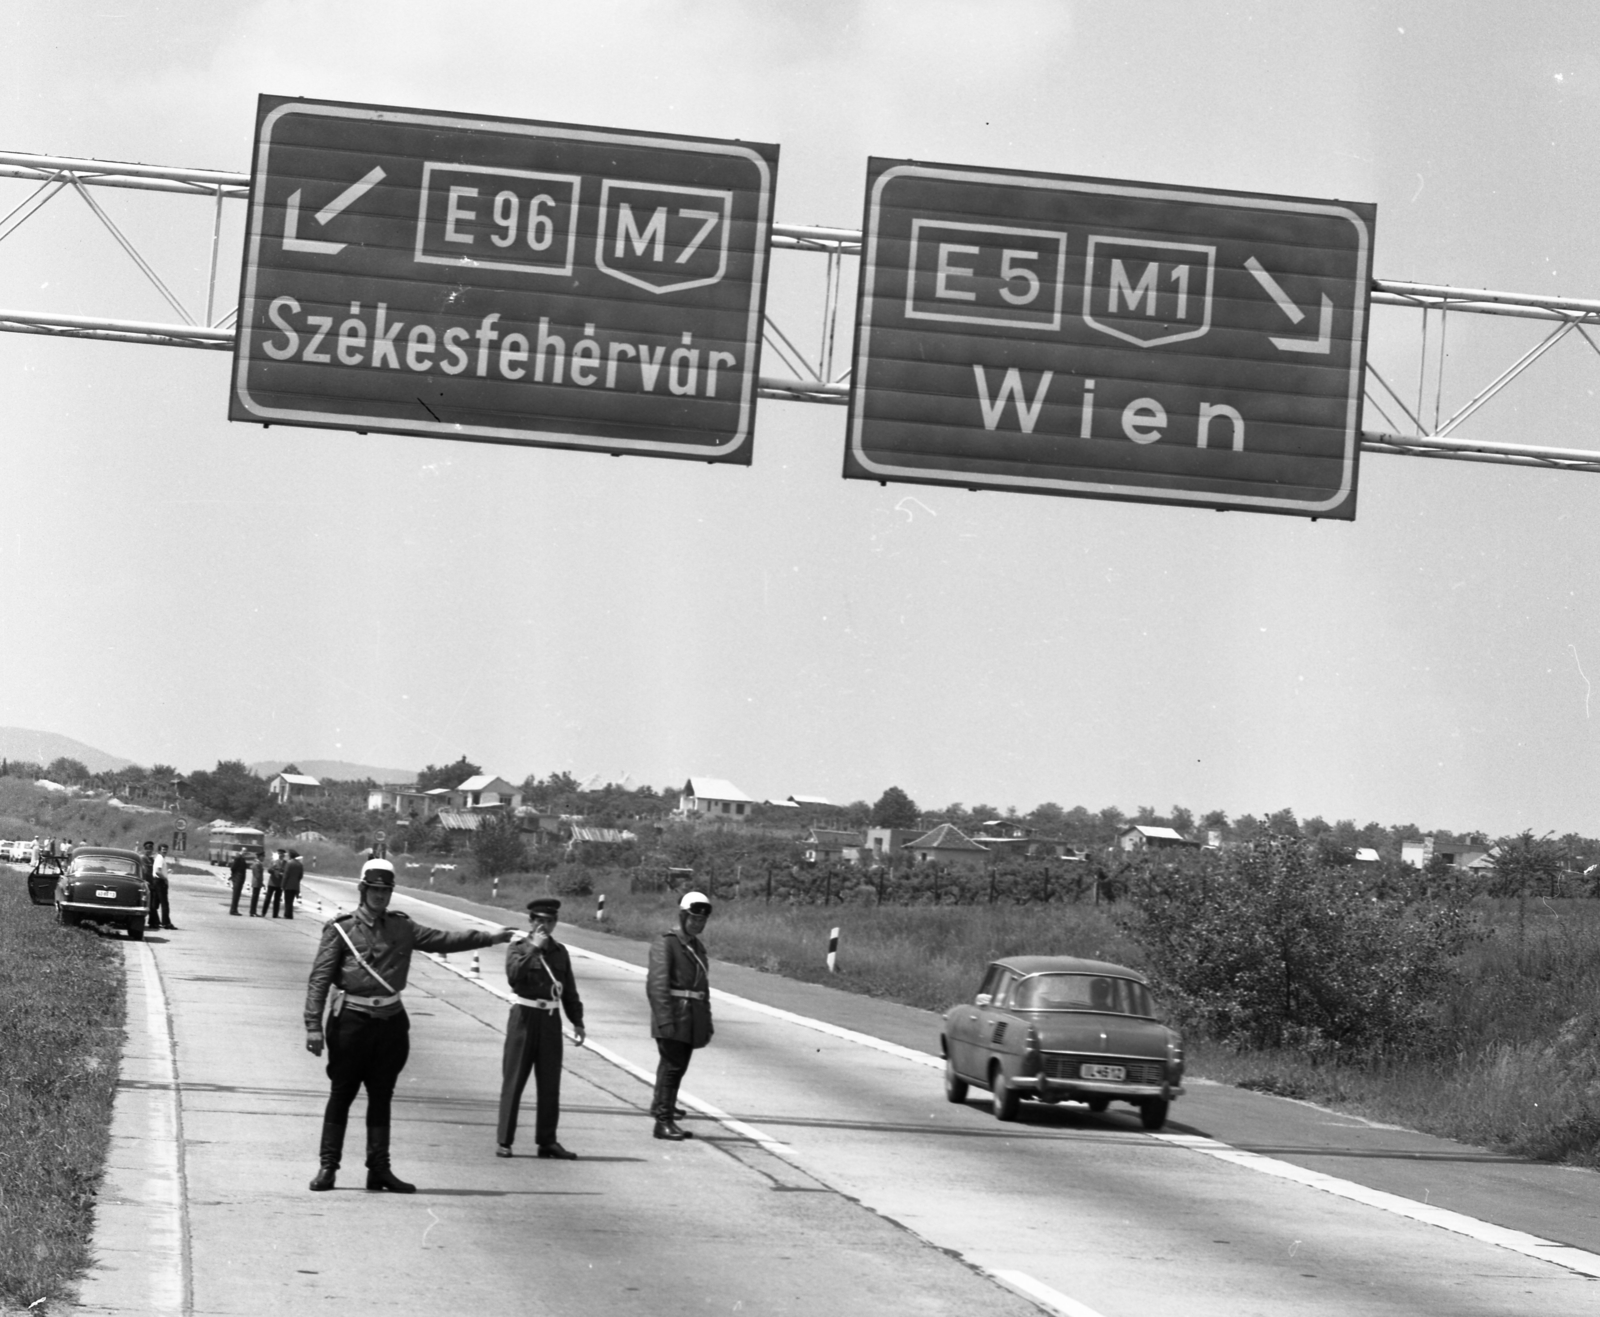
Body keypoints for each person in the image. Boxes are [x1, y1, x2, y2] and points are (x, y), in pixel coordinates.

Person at [303, 857, 516, 1193]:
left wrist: (490, 938)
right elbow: (319, 978)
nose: (380, 896)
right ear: (363, 890)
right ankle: (328, 1168)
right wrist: (313, 1025)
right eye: (374, 890)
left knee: (382, 1096)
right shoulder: (341, 928)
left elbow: (445, 940)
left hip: (389, 1024)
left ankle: (379, 1170)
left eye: (385, 891)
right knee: (342, 1094)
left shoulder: (402, 927)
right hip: (351, 1023)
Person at [495, 897, 585, 1160]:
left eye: (550, 921)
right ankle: (504, 1140)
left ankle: (547, 1141)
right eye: (539, 921)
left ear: (555, 923)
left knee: (549, 1083)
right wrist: (534, 949)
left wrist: (577, 1020)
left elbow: (568, 989)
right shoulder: (518, 948)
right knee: (514, 1080)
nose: (544, 926)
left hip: (550, 1019)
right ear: (531, 922)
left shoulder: (560, 952)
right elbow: (513, 977)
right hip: (524, 1016)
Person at [645, 890, 714, 1141]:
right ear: (683, 915)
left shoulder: (696, 946)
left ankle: (663, 1108)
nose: (698, 923)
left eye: (702, 920)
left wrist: (706, 1021)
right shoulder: (667, 942)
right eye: (693, 918)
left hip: (690, 1018)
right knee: (673, 1067)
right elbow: (657, 985)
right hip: (673, 1015)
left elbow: (702, 989)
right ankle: (663, 1122)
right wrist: (665, 1019)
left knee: (675, 1067)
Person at [144, 841, 175, 931]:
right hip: (158, 882)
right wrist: (165, 878)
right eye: (163, 850)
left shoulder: (156, 858)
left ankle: (154, 922)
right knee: (164, 903)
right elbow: (157, 871)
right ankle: (166, 923)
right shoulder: (159, 858)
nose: (165, 852)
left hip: (154, 882)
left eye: (166, 851)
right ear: (159, 851)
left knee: (154, 904)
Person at [262, 849, 286, 918]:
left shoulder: (285, 863)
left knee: (277, 900)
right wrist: (273, 868)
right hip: (272, 883)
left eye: (282, 854)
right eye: (279, 854)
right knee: (267, 899)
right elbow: (269, 870)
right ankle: (263, 913)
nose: (281, 855)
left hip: (279, 884)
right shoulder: (274, 862)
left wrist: (283, 874)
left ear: (283, 855)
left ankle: (275, 914)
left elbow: (286, 872)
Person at [282, 850, 304, 920]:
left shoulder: (289, 863)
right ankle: (290, 914)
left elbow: (286, 875)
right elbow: (301, 876)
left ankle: (287, 914)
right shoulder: (300, 864)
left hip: (288, 885)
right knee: (291, 900)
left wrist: (283, 885)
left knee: (287, 900)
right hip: (295, 885)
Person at [227, 850, 248, 916]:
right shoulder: (238, 858)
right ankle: (233, 910)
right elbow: (233, 868)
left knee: (237, 895)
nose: (245, 854)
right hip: (237, 878)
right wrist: (234, 875)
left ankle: (234, 909)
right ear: (241, 852)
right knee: (236, 895)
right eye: (244, 853)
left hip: (240, 879)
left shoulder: (242, 859)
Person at [248, 851, 266, 917]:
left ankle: (253, 911)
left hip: (257, 883)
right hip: (256, 883)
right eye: (263, 857)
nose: (264, 858)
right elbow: (257, 875)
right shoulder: (257, 864)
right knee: (254, 898)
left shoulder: (258, 863)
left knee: (255, 898)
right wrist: (261, 883)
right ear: (260, 857)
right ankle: (252, 912)